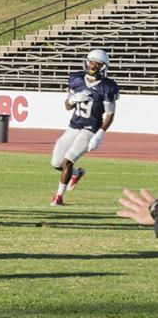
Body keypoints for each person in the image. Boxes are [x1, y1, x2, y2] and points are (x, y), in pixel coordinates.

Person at [49, 49, 119, 207]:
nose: (93, 65)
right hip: (73, 126)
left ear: (104, 67)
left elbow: (109, 114)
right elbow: (67, 106)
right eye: (92, 61)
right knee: (56, 162)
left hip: (90, 128)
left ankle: (58, 197)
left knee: (68, 159)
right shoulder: (76, 79)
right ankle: (77, 173)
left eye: (98, 63)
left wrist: (99, 134)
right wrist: (72, 100)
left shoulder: (107, 87)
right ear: (87, 61)